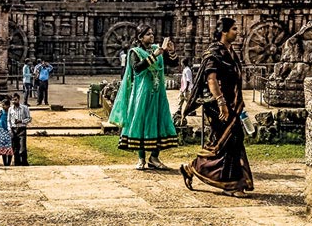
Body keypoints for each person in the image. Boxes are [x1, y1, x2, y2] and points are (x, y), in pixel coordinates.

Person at [180, 17, 254, 196]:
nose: (237, 32)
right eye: (234, 29)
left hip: (232, 105)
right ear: (224, 32)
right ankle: (232, 185)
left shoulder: (231, 53)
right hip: (217, 105)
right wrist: (221, 103)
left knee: (229, 142)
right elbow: (211, 79)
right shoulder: (214, 53)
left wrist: (237, 104)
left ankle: (192, 168)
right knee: (228, 141)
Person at [109, 25, 177, 171]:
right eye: (148, 34)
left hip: (158, 92)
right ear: (140, 38)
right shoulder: (135, 52)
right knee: (141, 121)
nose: (151, 36)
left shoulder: (156, 49)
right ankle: (141, 158)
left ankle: (154, 157)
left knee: (159, 121)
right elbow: (137, 68)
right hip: (142, 92)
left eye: (152, 34)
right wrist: (155, 56)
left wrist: (171, 52)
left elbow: (173, 64)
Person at [8, 92, 32, 166]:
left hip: (22, 128)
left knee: (22, 148)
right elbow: (8, 120)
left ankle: (24, 162)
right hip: (13, 129)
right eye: (13, 100)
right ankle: (17, 163)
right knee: (15, 148)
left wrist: (21, 121)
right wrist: (10, 129)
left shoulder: (24, 108)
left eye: (15, 100)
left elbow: (29, 118)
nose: (14, 102)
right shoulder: (10, 109)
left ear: (19, 99)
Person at [0, 98, 13, 166]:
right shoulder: (0, 113)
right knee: (3, 148)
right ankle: (5, 163)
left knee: (10, 148)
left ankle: (9, 163)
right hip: (2, 131)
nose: (3, 106)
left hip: (9, 131)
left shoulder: (11, 112)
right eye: (2, 105)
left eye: (4, 105)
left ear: (8, 106)